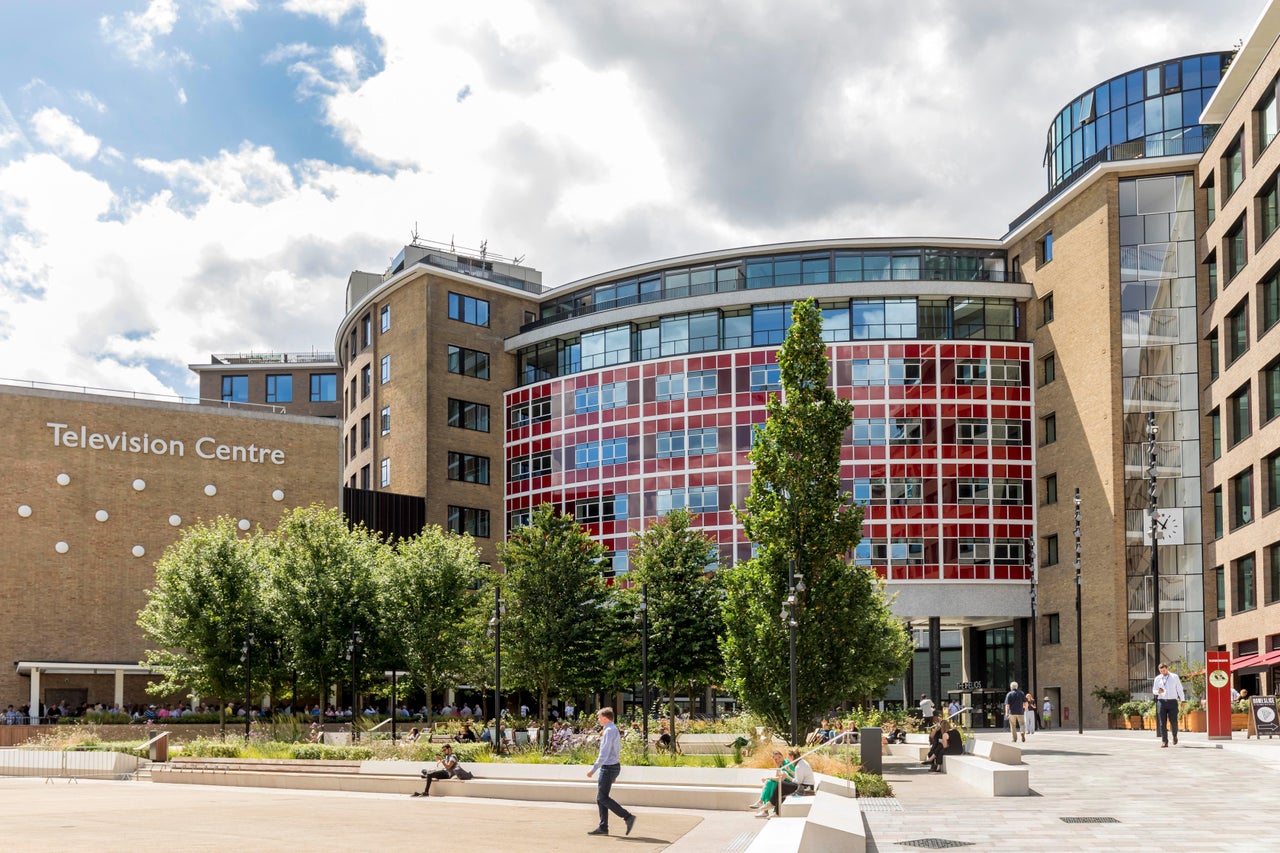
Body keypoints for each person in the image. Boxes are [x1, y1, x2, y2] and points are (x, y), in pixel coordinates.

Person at [586, 707, 636, 837]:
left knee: (602, 797)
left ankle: (627, 817)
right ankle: (603, 827)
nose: (598, 720)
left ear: (605, 717)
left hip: (608, 767)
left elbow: (604, 752)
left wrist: (593, 769)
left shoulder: (609, 731)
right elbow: (617, 749)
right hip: (613, 766)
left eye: (598, 717)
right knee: (600, 798)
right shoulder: (613, 730)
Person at [771, 748, 814, 814]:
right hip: (805, 786)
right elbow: (798, 777)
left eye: (789, 757)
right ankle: (776, 811)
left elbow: (797, 782)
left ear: (792, 757)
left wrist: (787, 776)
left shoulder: (799, 766)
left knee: (782, 784)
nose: (788, 759)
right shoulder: (801, 763)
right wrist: (789, 771)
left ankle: (771, 804)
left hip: (806, 788)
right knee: (782, 789)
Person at [1153, 662, 1185, 747]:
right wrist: (1157, 692)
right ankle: (1164, 741)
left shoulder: (1174, 677)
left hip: (1172, 702)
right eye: (1161, 671)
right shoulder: (1157, 679)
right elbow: (1154, 690)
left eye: (1164, 670)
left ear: (1167, 668)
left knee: (1173, 722)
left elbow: (1180, 689)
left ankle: (1174, 736)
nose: (1162, 672)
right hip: (1161, 702)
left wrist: (1183, 700)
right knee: (1162, 723)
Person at [748, 751, 786, 816]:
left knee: (769, 783)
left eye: (779, 757)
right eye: (776, 759)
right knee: (769, 783)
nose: (778, 760)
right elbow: (777, 776)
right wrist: (777, 766)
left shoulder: (786, 763)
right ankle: (763, 806)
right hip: (781, 783)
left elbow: (781, 778)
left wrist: (769, 778)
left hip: (787, 784)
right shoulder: (780, 765)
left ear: (782, 756)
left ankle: (763, 807)